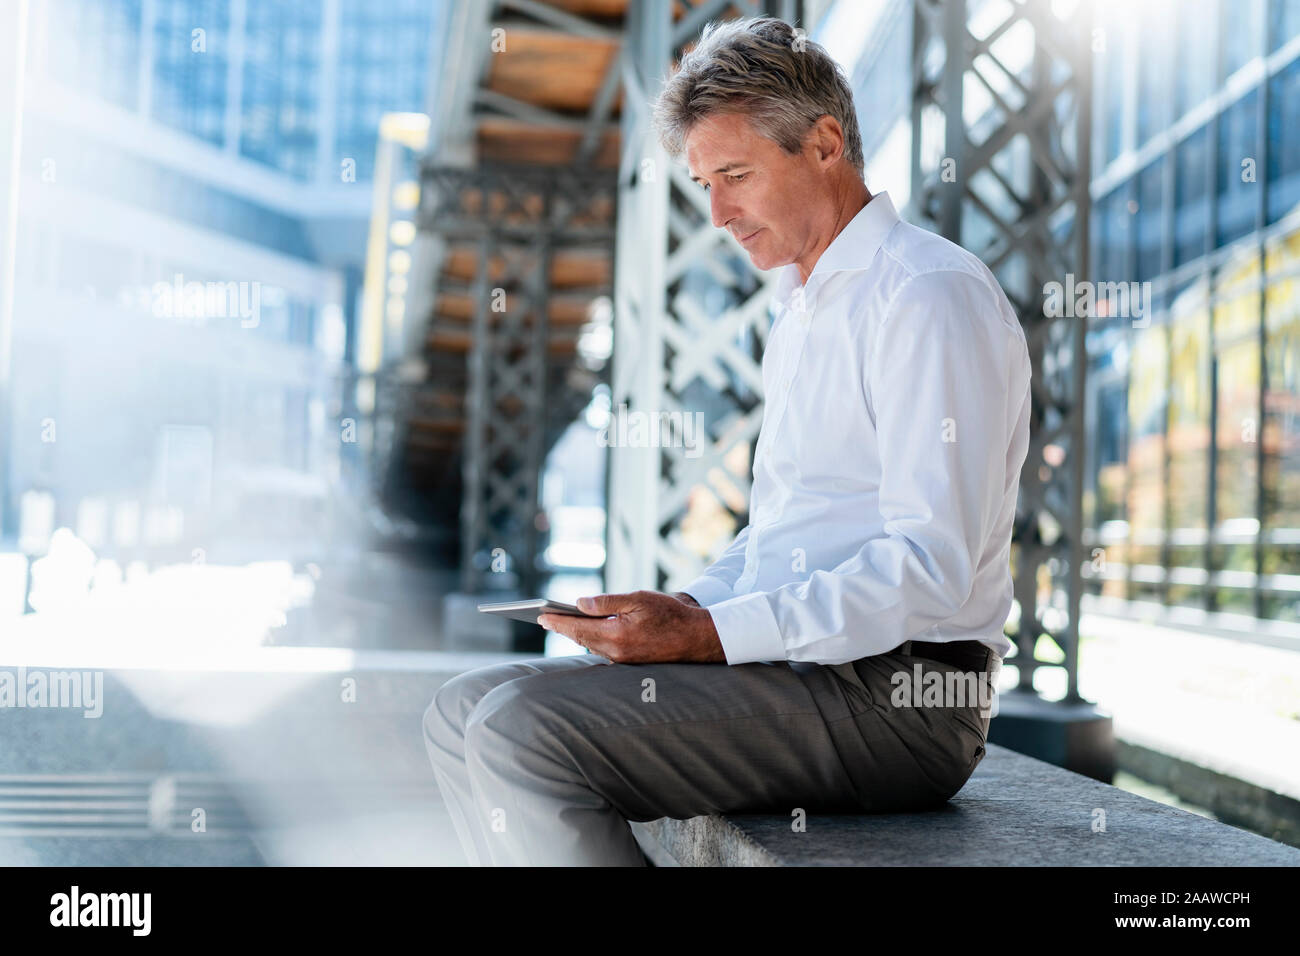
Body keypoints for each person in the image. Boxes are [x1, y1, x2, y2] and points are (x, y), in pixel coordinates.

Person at [423, 14, 1031, 866]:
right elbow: (783, 534)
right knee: (459, 710)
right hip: (807, 673)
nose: (716, 213)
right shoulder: (802, 308)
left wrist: (708, 638)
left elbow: (930, 573)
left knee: (522, 734)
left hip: (904, 697)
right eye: (705, 182)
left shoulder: (927, 296)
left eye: (735, 175)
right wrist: (687, 611)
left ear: (825, 144)